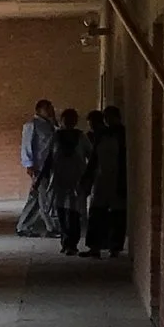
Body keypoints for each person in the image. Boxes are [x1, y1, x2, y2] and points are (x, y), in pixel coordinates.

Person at [85, 103, 129, 258]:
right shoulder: (102, 134)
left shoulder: (124, 135)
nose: (108, 120)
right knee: (97, 213)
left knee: (117, 214)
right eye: (106, 117)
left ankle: (114, 247)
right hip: (102, 178)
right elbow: (94, 158)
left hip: (117, 178)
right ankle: (95, 246)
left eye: (110, 117)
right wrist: (88, 177)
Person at [45, 106, 91, 253]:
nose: (68, 122)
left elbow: (91, 156)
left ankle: (72, 243)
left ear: (75, 121)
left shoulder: (81, 137)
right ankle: (65, 242)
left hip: (76, 180)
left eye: (71, 120)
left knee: (74, 214)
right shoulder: (56, 137)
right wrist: (41, 179)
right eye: (66, 120)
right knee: (61, 212)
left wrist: (89, 178)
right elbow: (49, 159)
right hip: (59, 180)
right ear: (61, 121)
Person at [17, 97, 58, 237]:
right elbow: (26, 146)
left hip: (49, 165)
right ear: (39, 110)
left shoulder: (50, 125)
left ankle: (23, 225)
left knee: (35, 197)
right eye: (48, 108)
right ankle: (51, 227)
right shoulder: (32, 125)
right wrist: (29, 164)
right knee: (44, 197)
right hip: (39, 166)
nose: (51, 111)